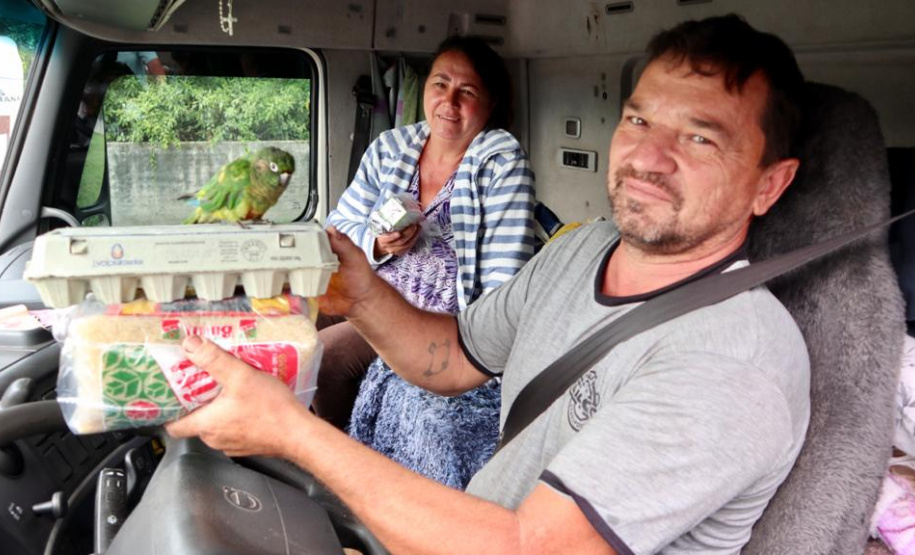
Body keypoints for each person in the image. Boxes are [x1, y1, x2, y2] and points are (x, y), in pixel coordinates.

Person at [168, 14, 810, 554]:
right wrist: (360, 294)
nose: (647, 156)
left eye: (699, 138)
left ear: (768, 184)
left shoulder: (731, 358)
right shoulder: (584, 250)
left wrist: (289, 432)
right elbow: (451, 357)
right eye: (639, 121)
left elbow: (524, 546)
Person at [313, 37, 536, 488]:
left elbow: (505, 279)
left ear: (490, 103)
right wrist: (377, 243)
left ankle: (340, 468)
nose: (448, 102)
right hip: (378, 285)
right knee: (299, 317)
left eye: (467, 91)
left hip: (437, 318)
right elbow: (340, 224)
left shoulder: (501, 164)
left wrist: (477, 352)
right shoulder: (392, 148)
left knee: (328, 358)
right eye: (440, 84)